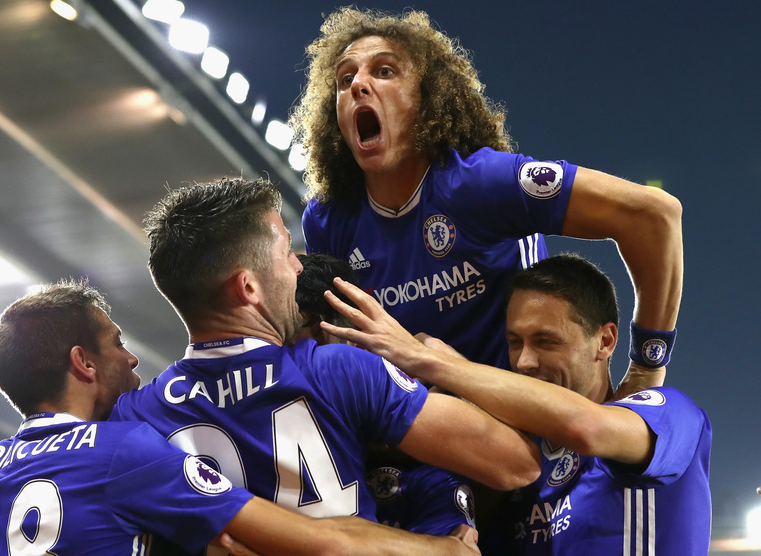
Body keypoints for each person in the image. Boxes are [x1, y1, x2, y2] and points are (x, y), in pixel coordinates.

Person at [290, 6, 683, 398]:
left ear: (427, 98)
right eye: (345, 79)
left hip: (531, 408)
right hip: (426, 420)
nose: (359, 84)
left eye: (384, 71)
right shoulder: (327, 220)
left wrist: (647, 366)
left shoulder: (480, 183)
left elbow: (653, 215)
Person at [109, 178, 540, 533]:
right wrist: (440, 364)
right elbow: (516, 464)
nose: (298, 266)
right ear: (249, 288)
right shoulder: (335, 369)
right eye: (285, 252)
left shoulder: (133, 418)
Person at [0, 279, 483, 555]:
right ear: (83, 363)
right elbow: (324, 541)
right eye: (117, 343)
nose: (131, 359)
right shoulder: (123, 448)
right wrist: (441, 551)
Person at [321, 254, 711, 554]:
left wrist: (434, 362)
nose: (524, 361)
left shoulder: (667, 412)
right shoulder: (511, 464)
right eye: (514, 342)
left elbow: (586, 427)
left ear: (605, 341)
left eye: (546, 341)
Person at [294, 253, 476, 538]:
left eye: (292, 329)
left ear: (329, 327)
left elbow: (507, 466)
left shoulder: (415, 371)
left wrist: (450, 372)